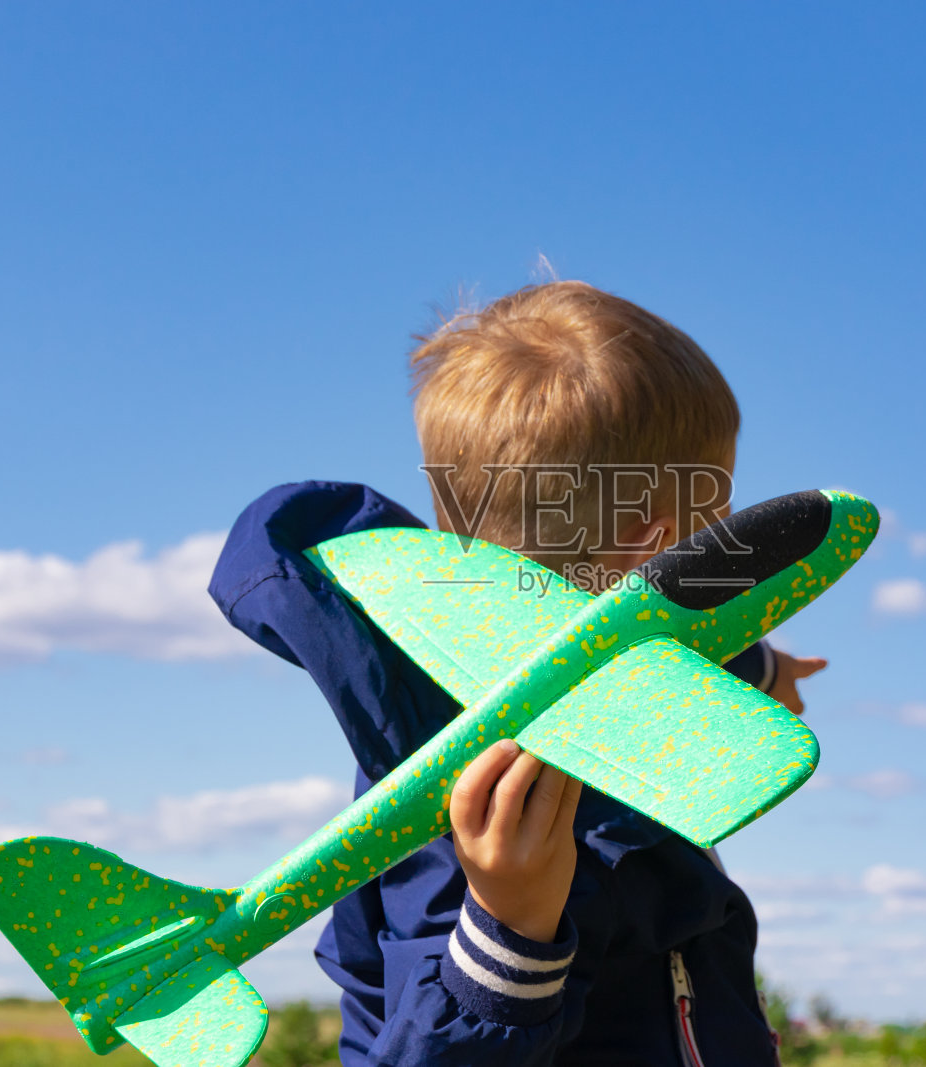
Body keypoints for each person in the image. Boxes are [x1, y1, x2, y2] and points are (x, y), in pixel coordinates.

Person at [209, 280, 828, 1065]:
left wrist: (766, 665)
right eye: (713, 529)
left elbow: (663, 643)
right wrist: (510, 928)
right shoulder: (464, 804)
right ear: (653, 550)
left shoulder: (587, 690)